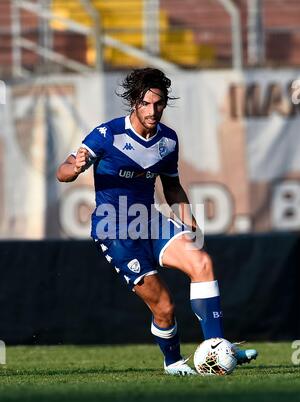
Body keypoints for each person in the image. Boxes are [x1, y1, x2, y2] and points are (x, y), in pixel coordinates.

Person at [57, 68, 257, 375]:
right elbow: (65, 170)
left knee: (201, 262)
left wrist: (189, 221)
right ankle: (173, 362)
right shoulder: (107, 135)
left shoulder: (168, 141)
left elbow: (172, 187)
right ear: (135, 103)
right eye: (146, 104)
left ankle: (217, 347)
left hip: (150, 220)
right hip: (115, 229)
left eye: (159, 104)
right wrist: (76, 167)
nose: (153, 111)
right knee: (164, 307)